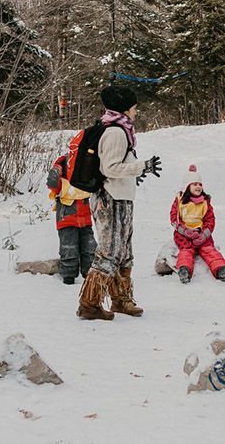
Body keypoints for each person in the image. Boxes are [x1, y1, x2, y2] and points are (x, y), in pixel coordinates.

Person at [77, 84, 162, 320]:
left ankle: (121, 300)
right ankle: (90, 304)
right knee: (110, 252)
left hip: (120, 197)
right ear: (124, 108)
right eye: (134, 107)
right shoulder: (115, 131)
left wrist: (135, 173)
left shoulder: (119, 128)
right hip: (110, 199)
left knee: (124, 252)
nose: (136, 111)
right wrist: (141, 166)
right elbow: (110, 168)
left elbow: (117, 165)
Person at [170, 164, 225, 283]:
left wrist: (204, 235)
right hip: (184, 234)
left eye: (200, 184)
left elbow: (210, 220)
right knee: (186, 251)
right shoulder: (180, 201)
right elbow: (174, 219)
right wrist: (184, 231)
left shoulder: (205, 202)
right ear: (187, 187)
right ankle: (184, 269)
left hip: (201, 233)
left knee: (209, 250)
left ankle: (220, 268)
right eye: (195, 184)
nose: (198, 187)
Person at [47, 155, 95, 284]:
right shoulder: (63, 166)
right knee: (69, 246)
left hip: (85, 218)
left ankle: (89, 273)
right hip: (67, 216)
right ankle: (68, 275)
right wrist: (55, 173)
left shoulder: (88, 166)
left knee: (89, 246)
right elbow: (53, 185)